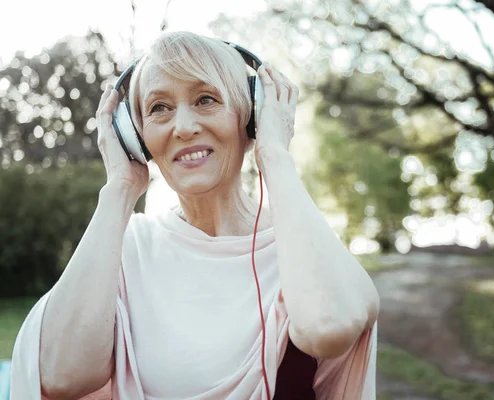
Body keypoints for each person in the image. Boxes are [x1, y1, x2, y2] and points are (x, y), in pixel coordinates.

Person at [10, 31, 380, 399]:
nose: (183, 127)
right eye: (159, 108)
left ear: (252, 116)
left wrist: (275, 157)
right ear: (135, 138)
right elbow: (61, 375)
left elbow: (327, 326)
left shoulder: (303, 243)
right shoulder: (126, 249)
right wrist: (119, 190)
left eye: (205, 99)